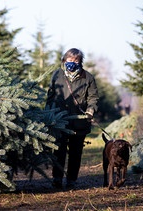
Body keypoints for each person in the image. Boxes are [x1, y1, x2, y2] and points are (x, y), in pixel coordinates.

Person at [46, 48, 99, 189]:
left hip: (79, 122)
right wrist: (48, 114)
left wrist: (91, 109)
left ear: (80, 62)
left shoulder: (88, 77)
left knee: (76, 153)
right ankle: (57, 178)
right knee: (58, 151)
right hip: (59, 121)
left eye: (75, 60)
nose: (72, 63)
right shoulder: (57, 75)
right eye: (69, 60)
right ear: (64, 60)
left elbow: (93, 98)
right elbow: (50, 96)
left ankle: (71, 180)